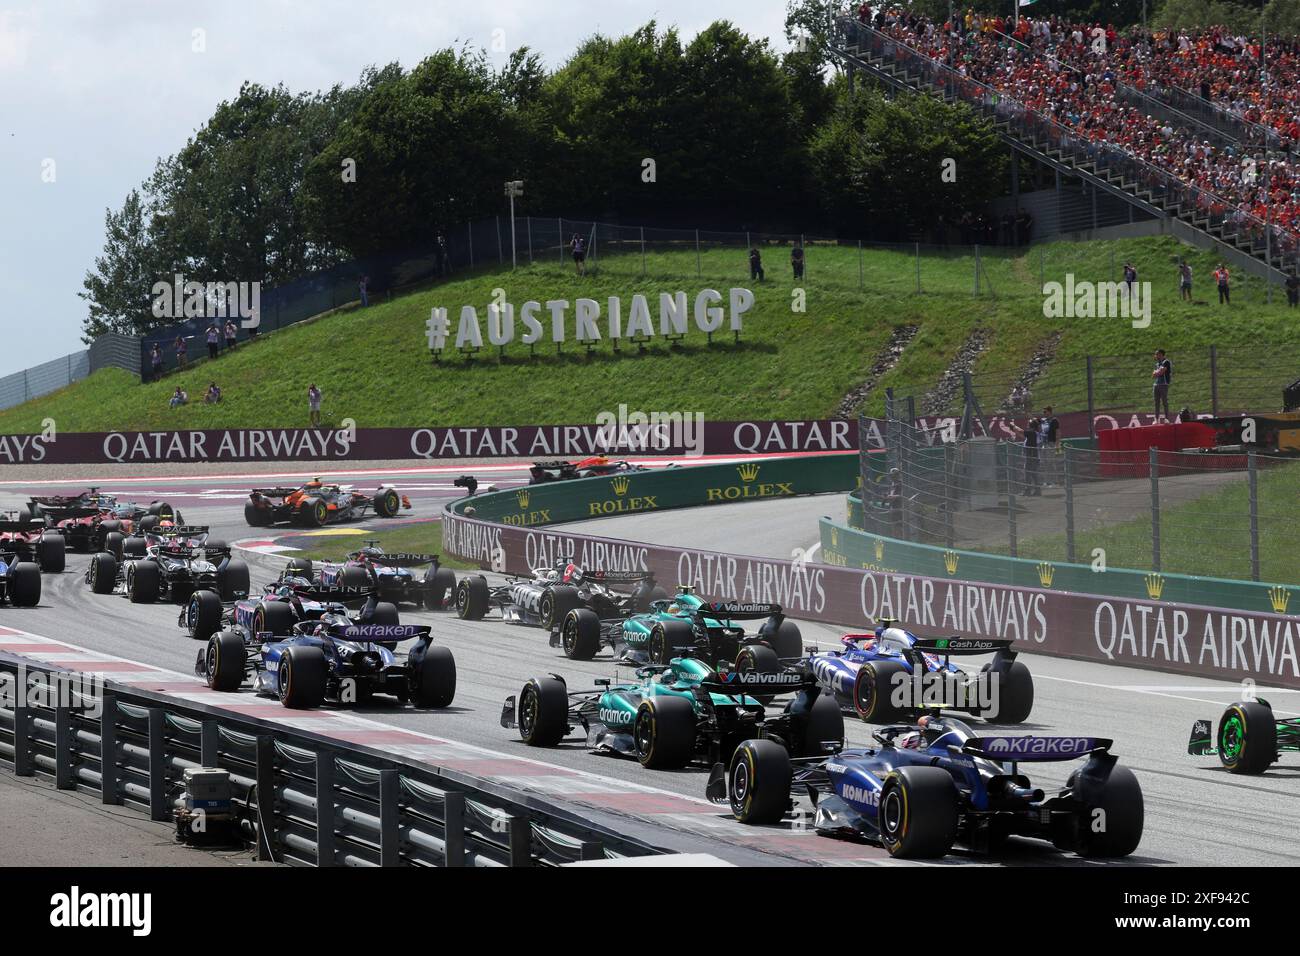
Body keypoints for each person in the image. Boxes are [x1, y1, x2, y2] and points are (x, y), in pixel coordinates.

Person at [1152, 349, 1172, 422]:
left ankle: (1166, 419)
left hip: (1164, 384)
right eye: (1155, 354)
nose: (1156, 356)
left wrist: (1157, 372)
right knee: (1156, 402)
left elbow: (1161, 372)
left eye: (1157, 354)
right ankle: (1156, 419)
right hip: (1156, 384)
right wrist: (1158, 372)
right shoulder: (1157, 364)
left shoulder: (1166, 362)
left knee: (1164, 402)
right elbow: (1153, 375)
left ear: (1161, 354)